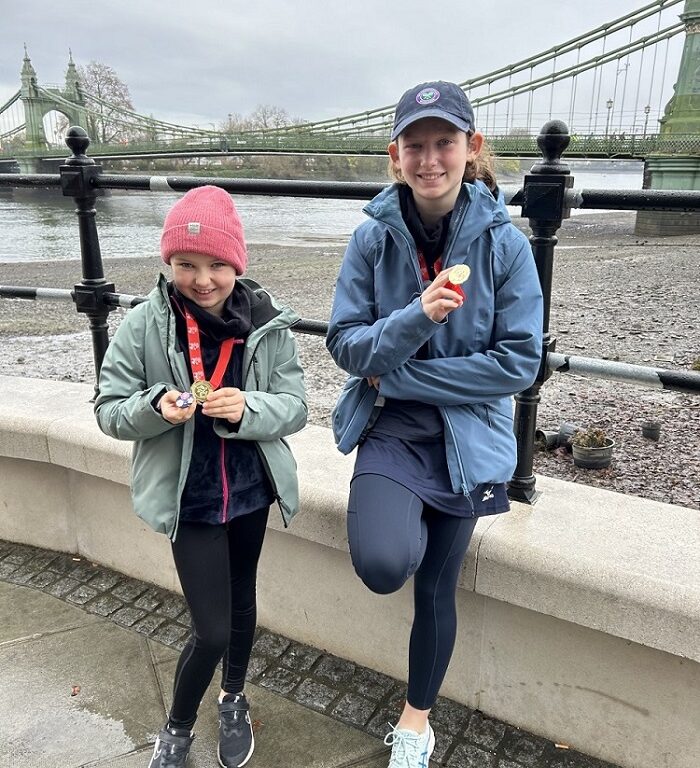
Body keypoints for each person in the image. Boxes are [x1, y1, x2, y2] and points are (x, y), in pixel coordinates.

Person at [326, 81, 543, 768]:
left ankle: (416, 722)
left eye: (443, 142)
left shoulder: (505, 246)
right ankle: (407, 511)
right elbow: (346, 345)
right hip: (392, 429)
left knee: (436, 589)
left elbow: (518, 363)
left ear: (470, 148)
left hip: (470, 436)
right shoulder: (370, 239)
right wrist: (419, 314)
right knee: (385, 563)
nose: (429, 159)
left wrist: (404, 374)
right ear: (395, 157)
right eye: (414, 145)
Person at [94, 185, 307, 768]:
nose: (203, 279)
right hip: (191, 500)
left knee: (243, 605)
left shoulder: (266, 324)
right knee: (210, 629)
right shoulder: (142, 324)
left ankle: (233, 698)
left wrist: (249, 409)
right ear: (168, 264)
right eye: (186, 265)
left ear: (237, 263)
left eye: (217, 264)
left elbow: (295, 406)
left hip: (250, 491)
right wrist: (153, 405)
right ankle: (177, 726)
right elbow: (107, 409)